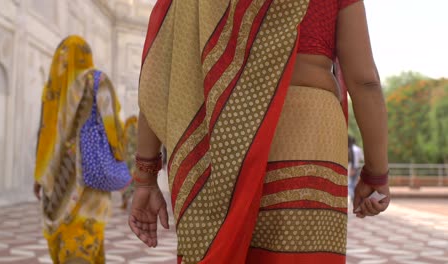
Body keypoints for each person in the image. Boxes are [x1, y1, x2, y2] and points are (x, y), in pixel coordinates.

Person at [129, 0, 390, 263]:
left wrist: (146, 178)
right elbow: (365, 81)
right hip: (310, 127)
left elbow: (162, 77)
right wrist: (376, 176)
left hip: (227, 129)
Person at [34, 36, 124, 263]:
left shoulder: (53, 89)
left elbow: (44, 133)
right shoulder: (97, 80)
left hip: (57, 182)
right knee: (85, 236)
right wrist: (119, 159)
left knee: (66, 239)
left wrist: (39, 176)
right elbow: (113, 126)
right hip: (91, 178)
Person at [121, 116, 139, 210]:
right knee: (134, 179)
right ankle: (131, 198)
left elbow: (122, 143)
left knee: (126, 179)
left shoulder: (126, 128)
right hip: (134, 158)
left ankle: (125, 198)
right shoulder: (136, 128)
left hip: (127, 158)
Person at [348, 135, 364, 200]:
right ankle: (354, 196)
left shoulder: (349, 149)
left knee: (350, 183)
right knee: (354, 183)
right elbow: (362, 158)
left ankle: (352, 196)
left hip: (350, 167)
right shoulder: (358, 149)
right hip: (357, 167)